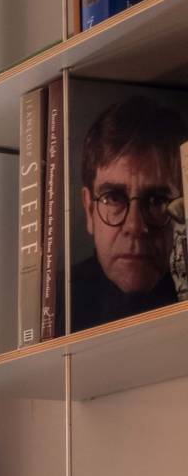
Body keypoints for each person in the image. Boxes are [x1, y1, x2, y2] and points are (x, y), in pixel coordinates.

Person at [71, 97, 187, 331]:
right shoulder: (55, 308)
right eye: (113, 198)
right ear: (90, 209)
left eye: (156, 200)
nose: (135, 226)